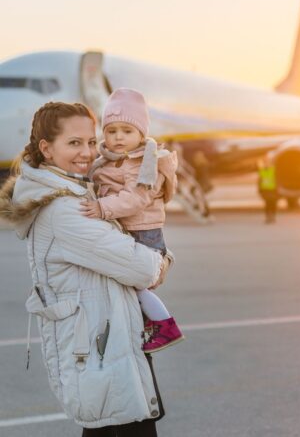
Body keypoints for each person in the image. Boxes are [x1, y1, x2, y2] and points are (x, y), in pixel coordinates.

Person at [0, 102, 171, 436]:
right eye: (74, 143)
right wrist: (160, 259)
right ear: (46, 149)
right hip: (102, 352)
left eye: (91, 142)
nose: (87, 152)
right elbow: (143, 269)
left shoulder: (76, 193)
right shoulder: (66, 210)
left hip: (105, 345)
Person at [82, 88, 183, 353]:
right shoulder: (109, 160)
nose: (117, 137)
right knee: (126, 286)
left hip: (142, 232)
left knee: (134, 283)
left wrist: (101, 208)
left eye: (126, 131)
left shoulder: (142, 163)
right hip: (127, 229)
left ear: (141, 134)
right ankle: (147, 323)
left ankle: (165, 324)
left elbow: (135, 199)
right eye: (111, 130)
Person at [257, 158, 278, 224]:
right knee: (268, 205)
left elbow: (277, 181)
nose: (267, 165)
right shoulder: (263, 172)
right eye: (266, 163)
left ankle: (272, 217)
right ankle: (269, 217)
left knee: (272, 205)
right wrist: (260, 191)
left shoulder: (273, 171)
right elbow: (259, 182)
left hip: (272, 191)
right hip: (267, 191)